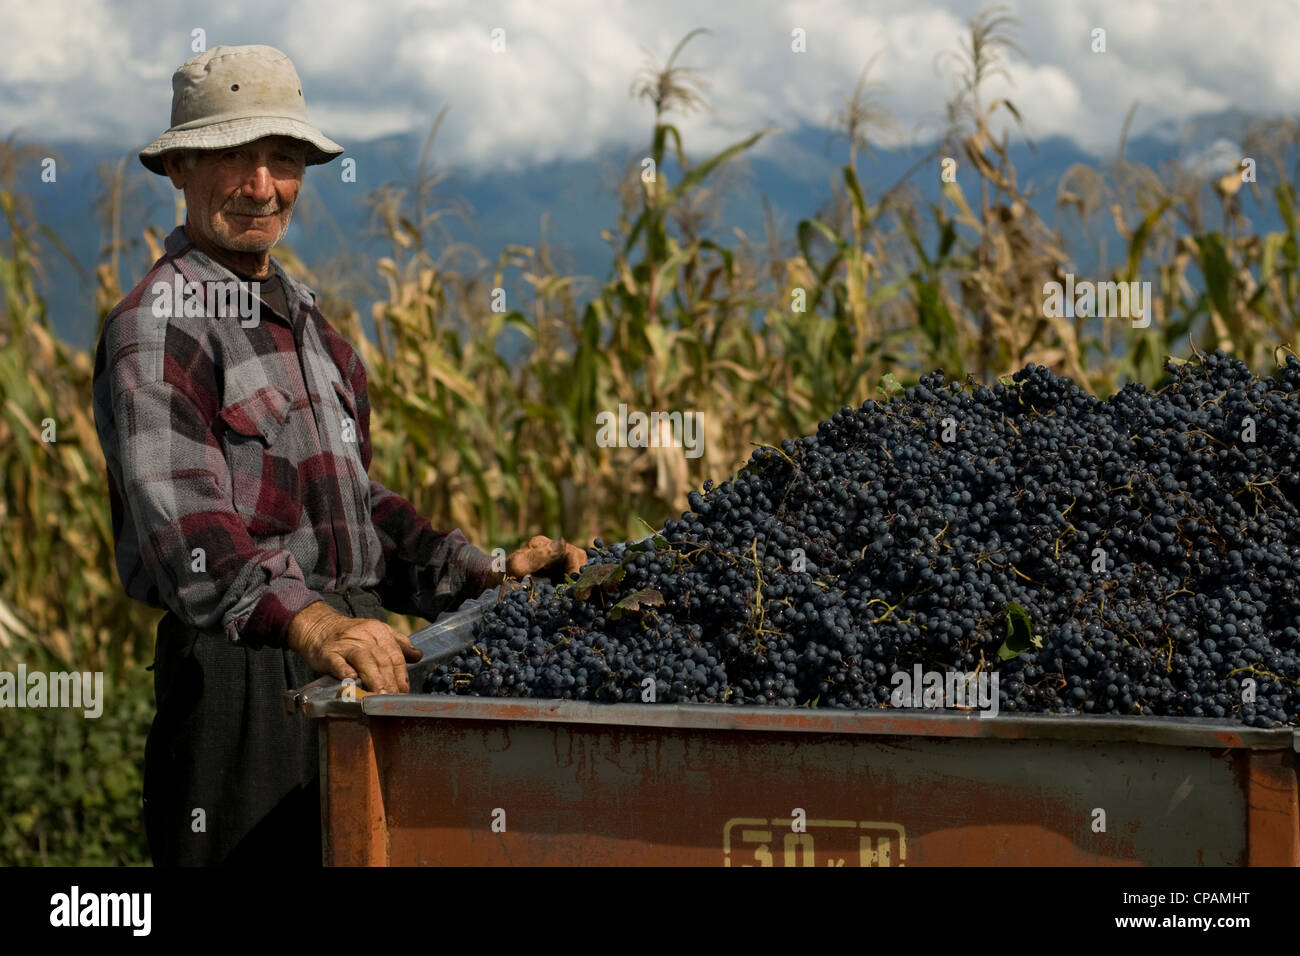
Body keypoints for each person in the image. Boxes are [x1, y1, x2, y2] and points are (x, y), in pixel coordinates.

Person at [91, 44, 585, 866]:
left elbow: (359, 508)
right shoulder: (159, 325)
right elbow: (191, 534)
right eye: (231, 158)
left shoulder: (310, 325)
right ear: (178, 166)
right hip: (246, 681)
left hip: (357, 654)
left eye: (282, 159)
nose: (260, 186)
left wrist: (486, 575)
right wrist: (313, 624)